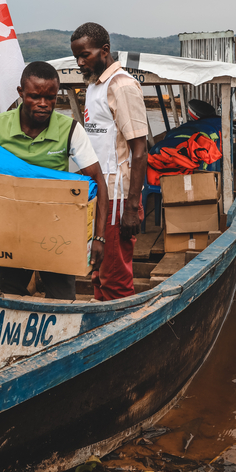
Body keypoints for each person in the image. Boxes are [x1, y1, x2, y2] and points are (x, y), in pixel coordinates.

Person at [0, 61, 108, 300]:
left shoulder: (70, 130)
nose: (44, 104)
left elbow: (98, 182)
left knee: (63, 300)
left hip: (57, 230)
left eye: (50, 98)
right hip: (9, 229)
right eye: (35, 97)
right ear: (21, 93)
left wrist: (99, 237)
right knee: (11, 296)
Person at [70, 22, 149, 301]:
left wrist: (132, 207)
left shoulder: (123, 86)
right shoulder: (94, 86)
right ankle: (98, 313)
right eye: (77, 57)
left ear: (105, 50)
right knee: (98, 266)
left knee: (115, 274)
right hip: (97, 194)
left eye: (85, 55)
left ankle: (118, 325)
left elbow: (140, 150)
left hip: (117, 197)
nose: (80, 62)